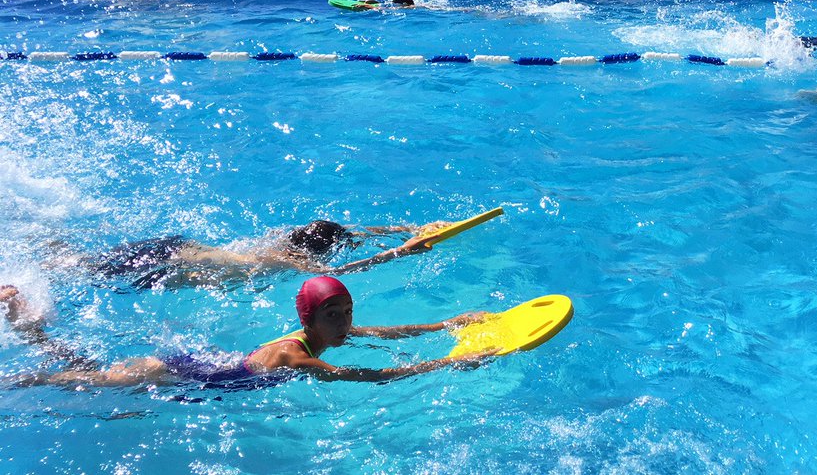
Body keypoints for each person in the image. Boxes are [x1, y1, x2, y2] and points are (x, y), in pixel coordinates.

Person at [4, 277, 492, 388]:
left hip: (204, 366)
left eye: (347, 312)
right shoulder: (296, 355)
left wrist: (447, 324)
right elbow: (371, 377)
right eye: (333, 315)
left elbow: (390, 333)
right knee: (80, 380)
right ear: (309, 320)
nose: (345, 323)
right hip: (176, 375)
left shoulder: (324, 333)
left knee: (85, 371)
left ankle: (27, 325)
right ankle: (20, 365)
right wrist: (449, 363)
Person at [68, 217, 461, 290]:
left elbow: (350, 232)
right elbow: (344, 271)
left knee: (84, 263)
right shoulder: (289, 261)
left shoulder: (282, 241)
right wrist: (400, 252)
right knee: (82, 272)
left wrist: (411, 228)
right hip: (167, 266)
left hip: (175, 246)